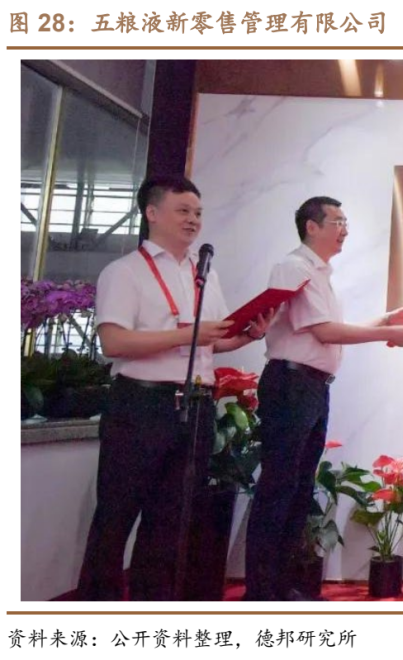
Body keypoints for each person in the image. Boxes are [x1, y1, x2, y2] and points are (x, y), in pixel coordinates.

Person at [78, 175, 272, 600]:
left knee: (171, 520)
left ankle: (155, 611)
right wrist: (188, 334)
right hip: (141, 404)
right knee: (115, 517)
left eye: (198, 213)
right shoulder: (124, 272)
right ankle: (95, 614)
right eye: (183, 211)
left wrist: (247, 336)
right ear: (152, 213)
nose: (193, 220)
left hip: (195, 406)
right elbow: (114, 342)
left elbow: (209, 341)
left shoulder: (204, 275)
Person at [244, 196, 403, 601]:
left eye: (346, 222)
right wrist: (387, 334)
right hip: (290, 385)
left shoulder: (320, 274)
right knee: (279, 488)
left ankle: (282, 587)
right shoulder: (294, 267)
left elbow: (329, 329)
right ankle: (261, 592)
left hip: (311, 387)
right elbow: (325, 332)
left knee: (298, 489)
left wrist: (385, 321)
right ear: (311, 226)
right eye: (337, 222)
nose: (345, 230)